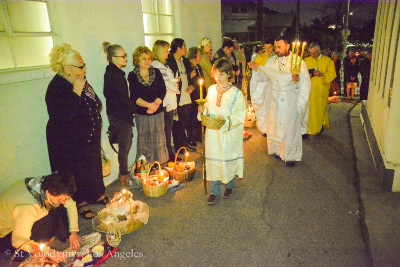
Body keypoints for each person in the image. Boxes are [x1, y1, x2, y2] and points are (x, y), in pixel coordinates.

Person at [46, 44, 108, 220]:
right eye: (80, 66)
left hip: (88, 138)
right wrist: (76, 91)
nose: (84, 69)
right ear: (67, 69)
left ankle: (96, 194)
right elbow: (63, 115)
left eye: (83, 65)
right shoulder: (56, 87)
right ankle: (80, 202)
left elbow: (97, 103)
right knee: (76, 171)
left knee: (92, 167)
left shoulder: (82, 81)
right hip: (69, 141)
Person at [249, 36, 311, 167]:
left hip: (290, 99)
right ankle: (277, 150)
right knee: (275, 125)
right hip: (274, 99)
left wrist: (297, 79)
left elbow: (305, 82)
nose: (276, 50)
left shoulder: (298, 62)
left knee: (289, 127)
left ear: (288, 46)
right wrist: (257, 70)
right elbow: (264, 78)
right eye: (275, 47)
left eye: (279, 47)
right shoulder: (271, 61)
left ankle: (290, 155)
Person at [0, 172, 81, 264]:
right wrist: (47, 251)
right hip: (5, 234)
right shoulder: (28, 207)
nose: (63, 202)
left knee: (54, 218)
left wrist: (73, 232)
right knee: (30, 254)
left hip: (18, 218)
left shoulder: (45, 184)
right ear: (47, 192)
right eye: (60, 200)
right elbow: (18, 240)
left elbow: (70, 204)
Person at [199, 58, 246, 205]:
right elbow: (207, 107)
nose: (217, 78)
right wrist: (202, 109)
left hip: (229, 133)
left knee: (228, 159)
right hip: (213, 132)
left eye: (221, 75)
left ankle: (230, 185)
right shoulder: (211, 90)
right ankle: (215, 190)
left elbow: (241, 114)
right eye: (216, 74)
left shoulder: (236, 93)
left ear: (229, 74)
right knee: (214, 161)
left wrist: (226, 121)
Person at [103, 42, 136, 187]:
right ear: (113, 58)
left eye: (125, 55)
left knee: (126, 144)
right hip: (121, 115)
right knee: (124, 146)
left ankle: (124, 173)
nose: (125, 59)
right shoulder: (114, 75)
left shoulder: (114, 73)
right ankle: (123, 175)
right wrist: (133, 109)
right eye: (122, 56)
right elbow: (122, 98)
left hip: (119, 115)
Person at [128, 46, 168, 163]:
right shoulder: (132, 75)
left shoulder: (156, 72)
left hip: (157, 113)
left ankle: (159, 167)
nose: (147, 61)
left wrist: (155, 105)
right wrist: (149, 106)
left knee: (158, 141)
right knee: (144, 142)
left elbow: (162, 90)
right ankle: (145, 168)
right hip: (142, 114)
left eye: (149, 58)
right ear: (137, 60)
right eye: (144, 58)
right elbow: (134, 96)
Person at [152, 40, 180, 162]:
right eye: (166, 50)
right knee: (166, 131)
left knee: (168, 129)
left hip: (169, 100)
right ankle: (168, 155)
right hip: (165, 102)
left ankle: (169, 153)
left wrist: (175, 82)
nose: (168, 53)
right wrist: (176, 86)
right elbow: (166, 83)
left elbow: (169, 80)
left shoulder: (163, 64)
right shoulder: (157, 65)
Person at [166, 38, 196, 153]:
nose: (186, 49)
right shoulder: (170, 62)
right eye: (184, 47)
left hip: (186, 96)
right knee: (177, 125)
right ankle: (179, 147)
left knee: (184, 122)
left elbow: (191, 76)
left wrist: (192, 86)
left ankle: (184, 144)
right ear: (178, 48)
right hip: (177, 98)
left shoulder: (185, 61)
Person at [304, 42, 336, 136]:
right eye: (311, 53)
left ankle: (318, 128)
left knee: (319, 110)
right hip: (309, 90)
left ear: (319, 50)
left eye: (314, 52)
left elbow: (332, 74)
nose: (313, 55)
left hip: (321, 91)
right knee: (308, 110)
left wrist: (322, 75)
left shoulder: (327, 61)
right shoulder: (306, 60)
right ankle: (309, 129)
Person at [250, 38, 275, 137]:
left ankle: (273, 129)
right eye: (265, 48)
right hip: (264, 89)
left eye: (269, 48)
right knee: (264, 109)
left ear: (273, 47)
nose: (267, 50)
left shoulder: (277, 58)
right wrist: (256, 69)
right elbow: (256, 76)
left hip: (274, 87)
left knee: (273, 109)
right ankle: (265, 129)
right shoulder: (260, 58)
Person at [187, 47, 206, 147]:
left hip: (200, 94)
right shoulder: (190, 67)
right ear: (194, 56)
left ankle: (199, 135)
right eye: (199, 55)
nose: (200, 57)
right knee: (192, 118)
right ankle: (191, 137)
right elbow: (191, 82)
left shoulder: (198, 67)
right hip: (193, 96)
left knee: (199, 117)